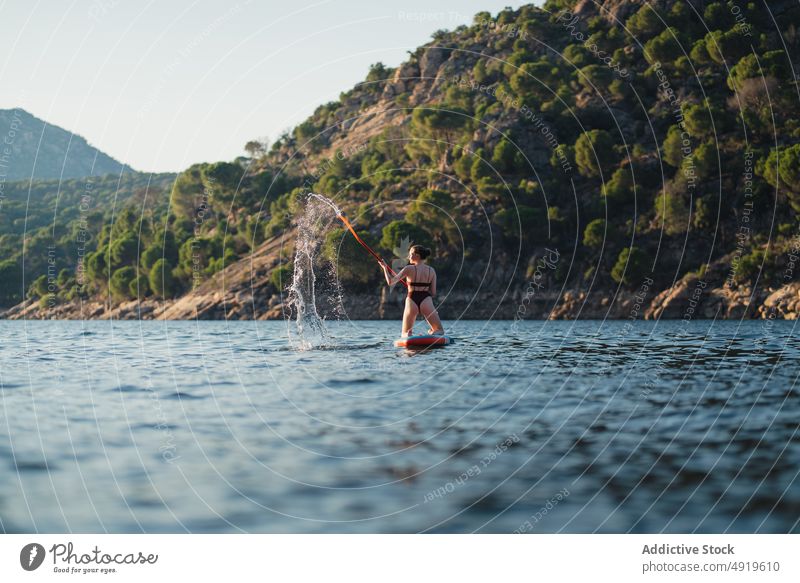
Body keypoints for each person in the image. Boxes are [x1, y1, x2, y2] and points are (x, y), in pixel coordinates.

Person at [381, 244, 444, 337]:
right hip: (426, 300)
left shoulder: (408, 269)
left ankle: (409, 333)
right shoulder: (432, 270)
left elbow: (390, 282)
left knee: (404, 334)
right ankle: (432, 332)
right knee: (439, 331)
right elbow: (433, 292)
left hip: (412, 300)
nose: (408, 256)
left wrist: (385, 268)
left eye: (410, 254)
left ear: (417, 255)